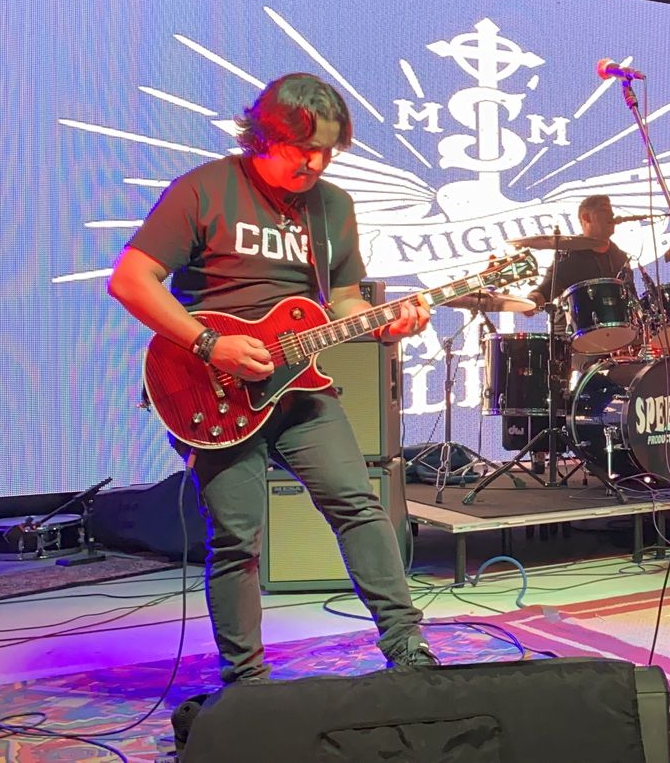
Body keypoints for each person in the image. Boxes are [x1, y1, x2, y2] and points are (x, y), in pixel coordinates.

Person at [108, 73, 437, 684]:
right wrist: (210, 344)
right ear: (263, 136)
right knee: (237, 539)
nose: (316, 164)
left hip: (299, 387)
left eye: (328, 151)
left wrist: (387, 324)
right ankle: (246, 682)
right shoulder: (206, 188)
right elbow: (130, 280)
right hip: (213, 387)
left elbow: (342, 302)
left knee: (360, 507)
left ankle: (408, 648)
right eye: (303, 149)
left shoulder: (332, 206)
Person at [527, 194, 632, 310]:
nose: (612, 215)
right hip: (573, 320)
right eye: (604, 210)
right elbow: (545, 292)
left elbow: (632, 301)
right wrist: (532, 301)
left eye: (611, 211)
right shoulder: (569, 256)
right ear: (586, 218)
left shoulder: (621, 258)